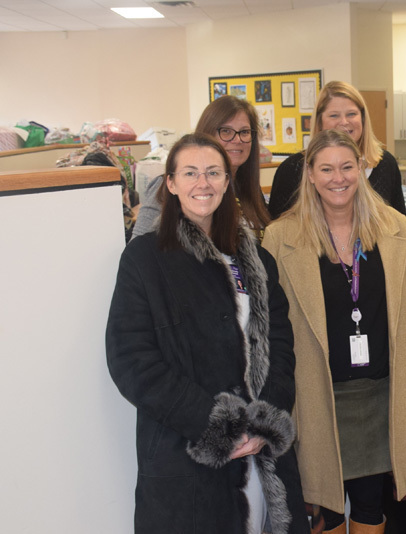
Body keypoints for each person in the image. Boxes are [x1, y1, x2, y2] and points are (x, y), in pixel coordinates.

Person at [106, 133, 308, 534]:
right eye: (191, 173)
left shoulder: (257, 258)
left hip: (261, 455)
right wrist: (219, 426)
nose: (204, 183)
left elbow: (281, 346)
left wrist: (262, 422)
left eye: (214, 173)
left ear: (228, 182)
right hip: (187, 459)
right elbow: (131, 360)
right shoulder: (144, 259)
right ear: (171, 183)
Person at [262, 129, 406, 534]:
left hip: (379, 392)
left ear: (361, 169)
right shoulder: (280, 237)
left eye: (346, 166)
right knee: (327, 506)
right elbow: (271, 330)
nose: (338, 178)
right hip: (318, 393)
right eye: (326, 169)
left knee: (372, 503)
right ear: (310, 175)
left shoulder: (395, 229)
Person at [133, 95, 270, 240]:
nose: (237, 140)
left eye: (244, 132)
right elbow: (137, 251)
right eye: (226, 131)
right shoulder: (171, 186)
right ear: (207, 134)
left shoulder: (248, 188)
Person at [268, 81, 405, 219]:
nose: (344, 122)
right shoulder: (291, 169)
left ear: (363, 119)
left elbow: (399, 224)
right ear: (320, 122)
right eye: (334, 115)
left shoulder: (386, 164)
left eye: (351, 114)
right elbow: (277, 228)